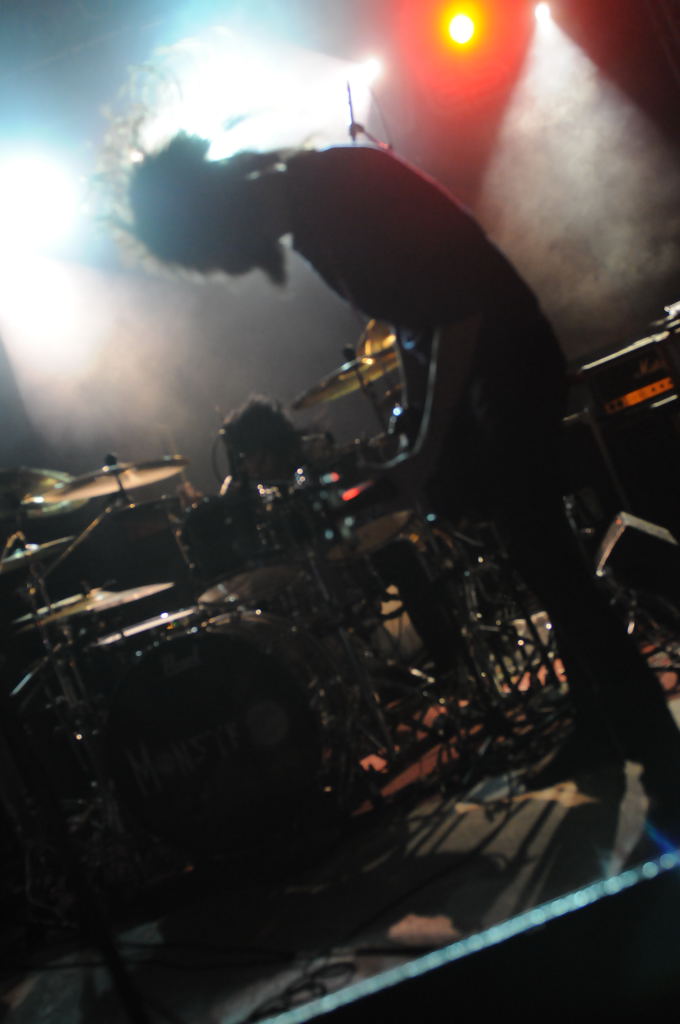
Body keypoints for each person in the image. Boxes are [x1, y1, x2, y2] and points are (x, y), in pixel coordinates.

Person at [123, 133, 680, 826]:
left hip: (508, 361)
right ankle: (604, 721)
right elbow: (413, 327)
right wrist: (414, 429)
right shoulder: (311, 224)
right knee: (539, 556)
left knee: (547, 556)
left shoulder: (338, 190)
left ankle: (653, 743)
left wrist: (429, 444)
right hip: (479, 372)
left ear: (220, 212)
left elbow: (457, 314)